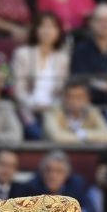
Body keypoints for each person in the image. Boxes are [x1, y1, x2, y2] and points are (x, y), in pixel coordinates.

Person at [11, 11, 70, 139]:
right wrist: (35, 105)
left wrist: (52, 106)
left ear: (58, 32)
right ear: (35, 29)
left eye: (52, 27)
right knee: (37, 133)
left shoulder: (62, 58)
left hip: (54, 109)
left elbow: (63, 90)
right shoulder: (23, 54)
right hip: (27, 108)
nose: (47, 31)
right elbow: (18, 90)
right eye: (43, 26)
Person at [23, 148, 95, 212]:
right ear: (42, 172)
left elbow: (90, 211)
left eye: (59, 171)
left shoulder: (76, 185)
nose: (52, 176)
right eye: (48, 170)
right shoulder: (32, 187)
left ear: (67, 174)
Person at [43, 77, 107, 143]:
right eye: (71, 97)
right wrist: (86, 137)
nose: (75, 101)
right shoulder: (53, 111)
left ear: (88, 98)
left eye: (79, 97)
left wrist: (83, 134)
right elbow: (57, 137)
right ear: (64, 98)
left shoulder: (93, 111)